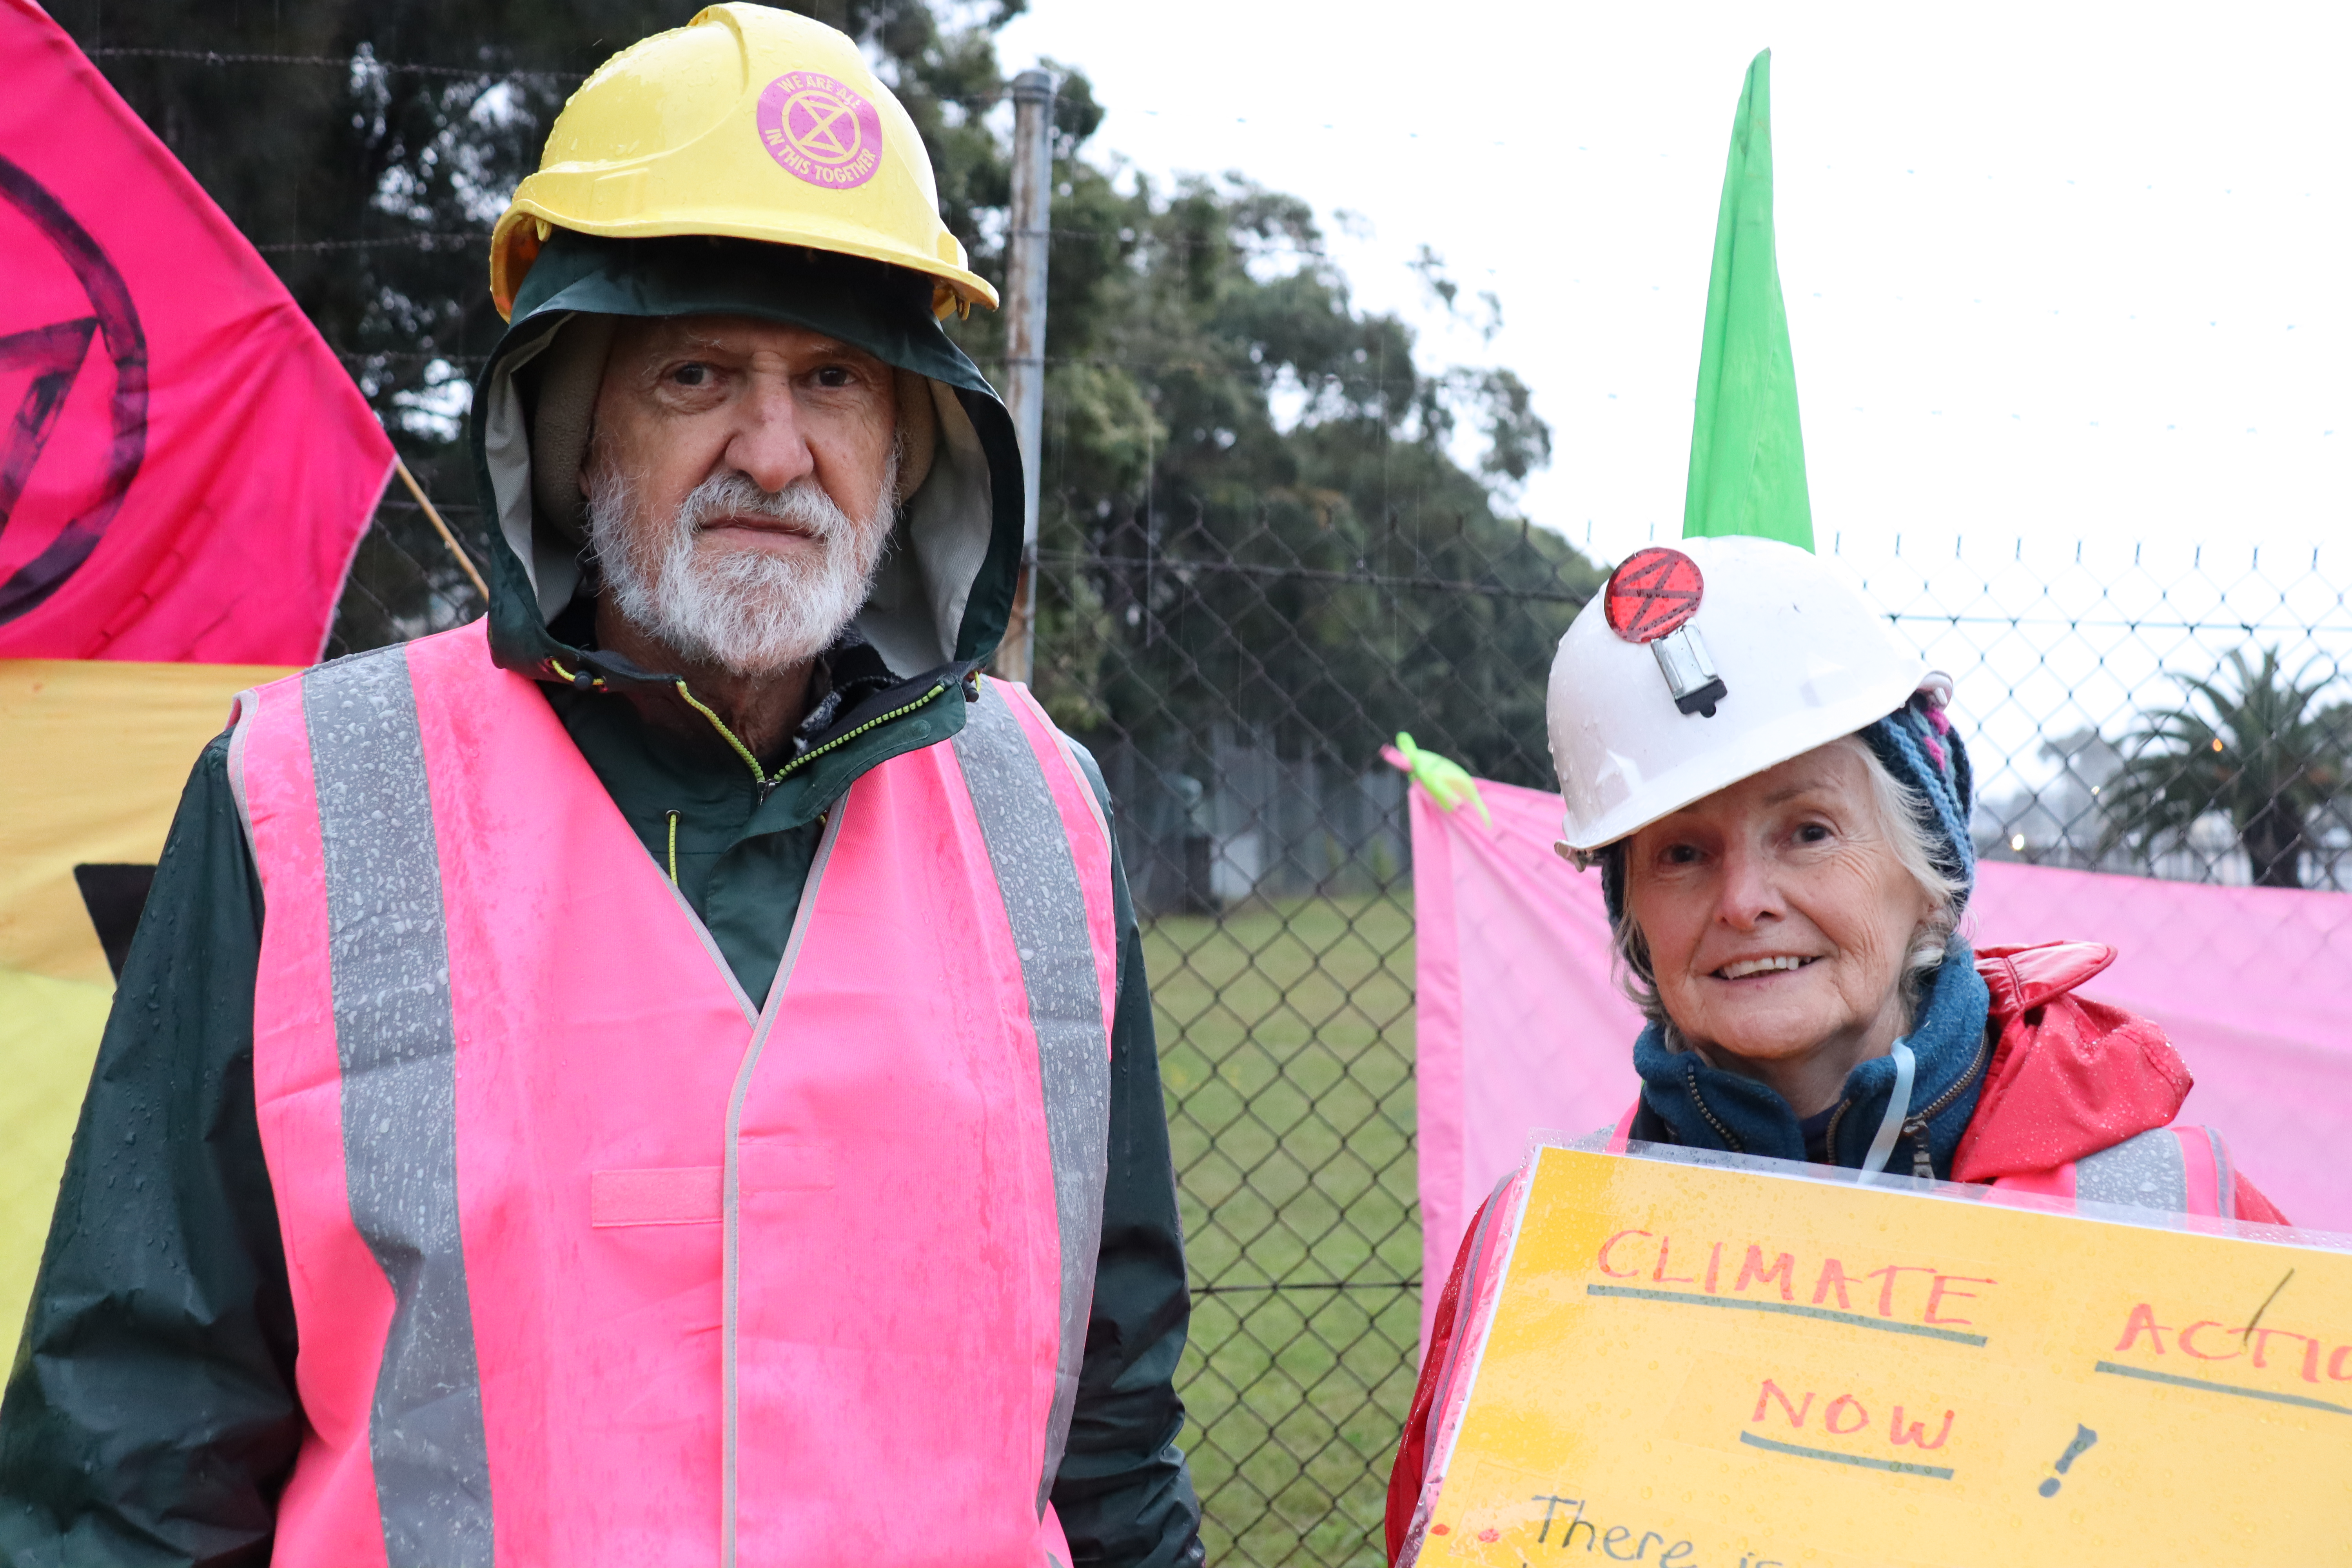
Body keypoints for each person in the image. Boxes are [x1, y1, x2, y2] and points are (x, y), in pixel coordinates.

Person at [0, 10, 1203, 1566]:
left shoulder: (1044, 814)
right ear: (573, 427)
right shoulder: (302, 795)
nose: (773, 452)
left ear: (911, 439)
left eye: (834, 379)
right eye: (697, 370)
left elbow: (1109, 1426)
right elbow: (137, 1447)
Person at [1383, 534, 2285, 1561]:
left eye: (1808, 831)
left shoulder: (2186, 1212)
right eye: (1681, 853)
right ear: (1635, 914)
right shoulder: (1538, 1245)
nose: (1743, 902)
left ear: (1926, 867)